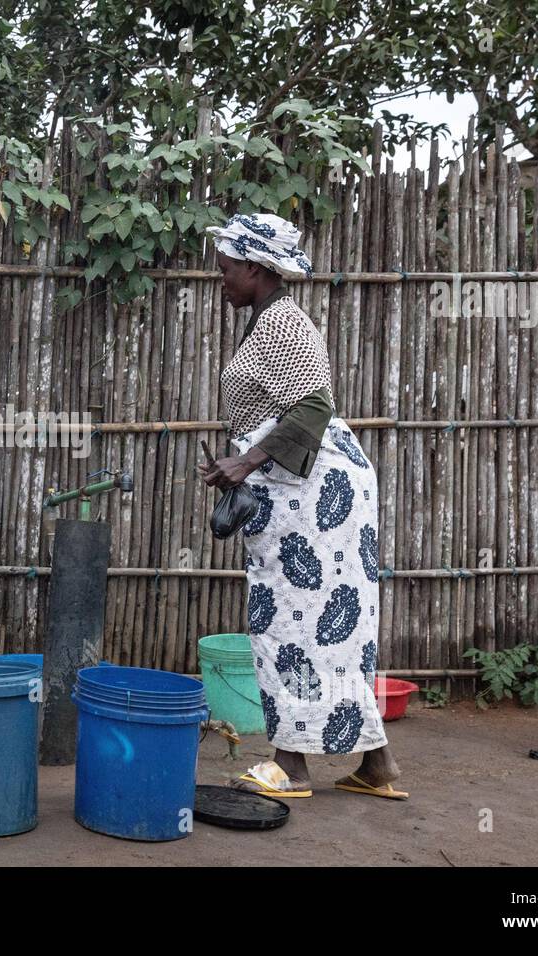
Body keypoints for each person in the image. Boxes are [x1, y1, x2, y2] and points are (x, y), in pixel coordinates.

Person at [199, 212, 408, 800]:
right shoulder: (270, 320)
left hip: (316, 496)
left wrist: (243, 462)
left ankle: (290, 766)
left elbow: (313, 408)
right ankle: (377, 765)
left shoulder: (284, 325)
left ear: (255, 268)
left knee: (290, 618)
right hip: (309, 487)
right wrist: (242, 462)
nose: (221, 281)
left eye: (226, 271)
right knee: (330, 624)